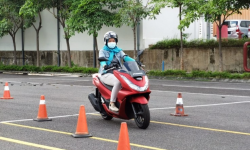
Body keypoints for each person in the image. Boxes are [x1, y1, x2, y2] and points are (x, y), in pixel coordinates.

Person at [99, 31, 135, 112]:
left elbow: (125, 57)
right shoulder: (103, 51)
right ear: (106, 41)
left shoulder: (118, 50)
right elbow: (102, 61)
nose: (112, 42)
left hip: (118, 72)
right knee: (118, 82)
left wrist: (136, 62)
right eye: (110, 41)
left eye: (113, 40)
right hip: (106, 73)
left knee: (129, 81)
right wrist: (105, 65)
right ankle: (112, 103)